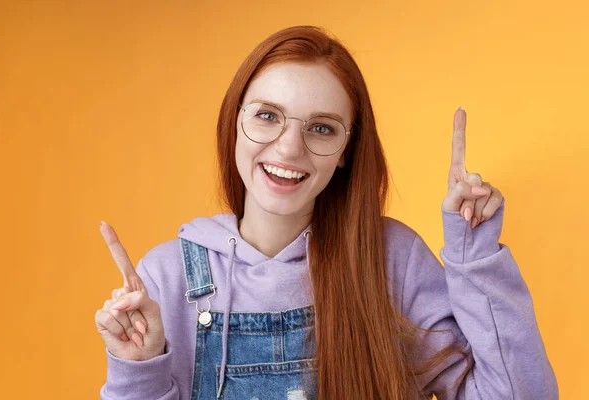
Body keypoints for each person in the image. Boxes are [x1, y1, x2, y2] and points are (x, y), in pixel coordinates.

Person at [95, 26, 558, 399]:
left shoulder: (390, 260)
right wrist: (139, 371)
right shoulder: (167, 279)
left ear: (345, 151)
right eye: (267, 116)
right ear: (234, 122)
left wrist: (474, 256)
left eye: (321, 128)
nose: (290, 147)